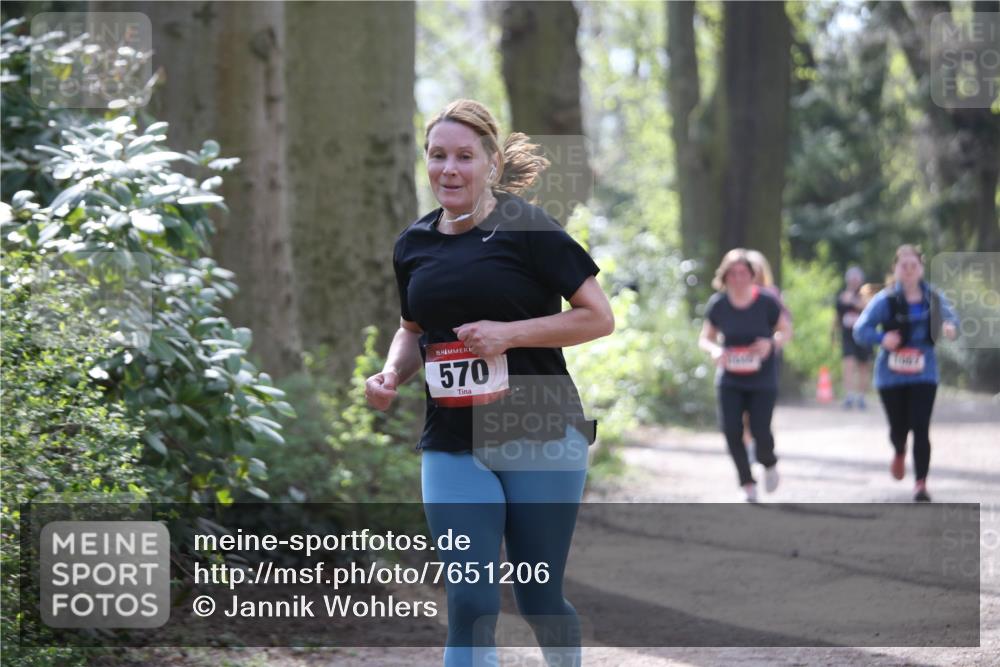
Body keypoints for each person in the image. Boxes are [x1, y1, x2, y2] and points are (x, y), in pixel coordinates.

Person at [364, 98, 614, 667]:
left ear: (492, 164)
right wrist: (390, 373)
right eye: (436, 156)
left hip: (540, 430)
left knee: (538, 596)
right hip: (453, 440)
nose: (447, 169)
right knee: (470, 604)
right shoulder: (414, 244)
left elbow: (598, 317)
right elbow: (411, 329)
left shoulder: (530, 229)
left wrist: (510, 334)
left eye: (463, 157)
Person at [853, 245, 958, 502]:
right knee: (898, 428)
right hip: (891, 375)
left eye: (914, 265)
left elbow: (952, 319)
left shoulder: (933, 297)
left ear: (921, 268)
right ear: (895, 269)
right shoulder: (885, 299)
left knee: (921, 426)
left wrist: (949, 327)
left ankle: (920, 483)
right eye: (904, 266)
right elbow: (860, 330)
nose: (909, 270)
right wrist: (882, 337)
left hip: (924, 373)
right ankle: (899, 450)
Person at [698, 249, 793, 502]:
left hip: (762, 378)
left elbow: (784, 331)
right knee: (731, 430)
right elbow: (705, 338)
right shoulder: (718, 304)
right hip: (730, 377)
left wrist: (770, 344)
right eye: (733, 273)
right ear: (725, 276)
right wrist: (715, 349)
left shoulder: (766, 302)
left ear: (752, 276)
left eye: (743, 273)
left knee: (761, 429)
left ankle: (768, 462)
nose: (738, 278)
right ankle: (747, 482)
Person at [742, 250, 791, 461]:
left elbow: (786, 327)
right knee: (741, 407)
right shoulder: (735, 295)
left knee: (760, 408)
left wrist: (771, 344)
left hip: (765, 360)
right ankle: (746, 444)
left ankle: (759, 440)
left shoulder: (771, 296)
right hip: (740, 358)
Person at [835, 266, 874, 409]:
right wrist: (833, 334)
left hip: (864, 336)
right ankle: (849, 395)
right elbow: (837, 316)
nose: (854, 282)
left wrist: (853, 302)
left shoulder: (866, 295)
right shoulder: (842, 295)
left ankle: (861, 396)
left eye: (856, 279)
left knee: (864, 366)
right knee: (848, 364)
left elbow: (868, 308)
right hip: (847, 336)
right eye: (852, 279)